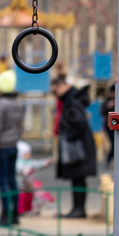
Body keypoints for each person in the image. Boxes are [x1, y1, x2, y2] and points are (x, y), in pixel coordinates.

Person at [52, 74, 96, 218]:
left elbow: (80, 123)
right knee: (78, 178)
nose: (55, 94)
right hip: (80, 146)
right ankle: (77, 209)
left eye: (55, 90)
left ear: (63, 86)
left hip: (77, 148)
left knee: (78, 178)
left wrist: (68, 137)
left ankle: (78, 209)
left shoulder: (71, 100)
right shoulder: (73, 99)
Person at [0, 69, 25, 225]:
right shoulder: (18, 103)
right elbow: (19, 125)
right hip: (13, 145)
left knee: (2, 181)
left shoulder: (1, 103)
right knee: (12, 180)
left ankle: (4, 215)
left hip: (1, 146)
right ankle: (15, 214)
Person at [100, 84, 115, 166]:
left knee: (115, 144)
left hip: (116, 125)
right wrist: (108, 106)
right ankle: (109, 160)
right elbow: (102, 111)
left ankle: (110, 160)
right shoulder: (106, 101)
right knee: (114, 144)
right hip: (109, 125)